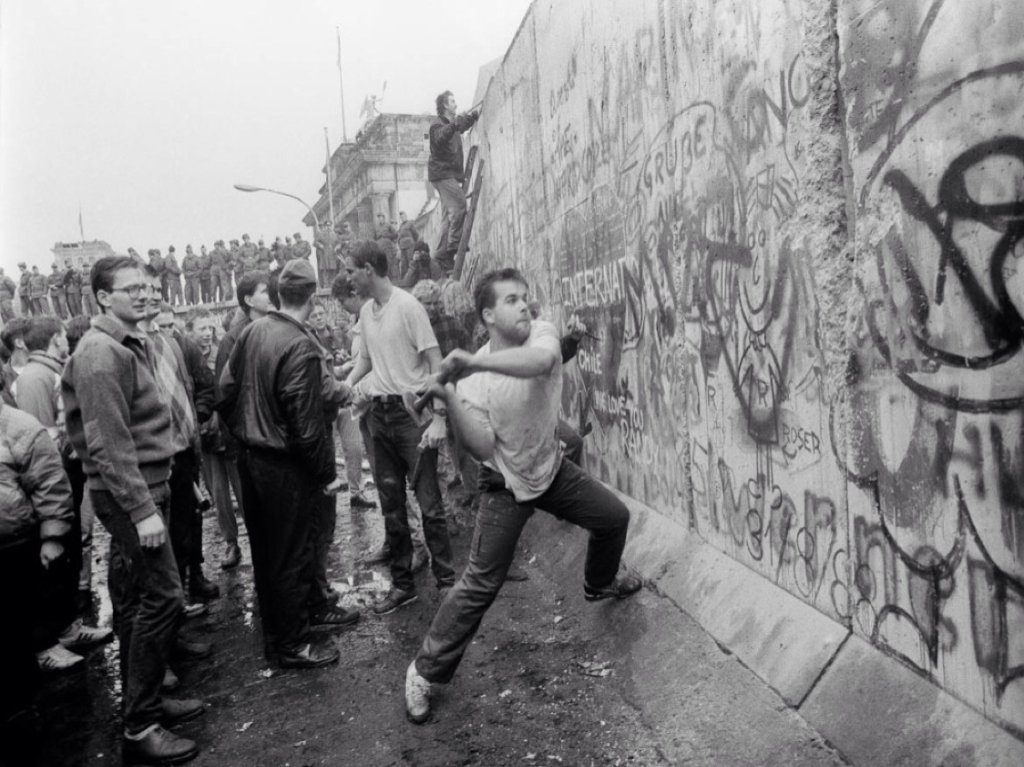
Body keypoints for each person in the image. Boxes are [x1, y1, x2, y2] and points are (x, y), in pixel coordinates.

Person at [403, 268, 641, 724]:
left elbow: (541, 365)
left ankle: (599, 581)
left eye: (526, 297)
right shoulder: (472, 383)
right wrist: (449, 396)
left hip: (550, 469)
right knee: (479, 584)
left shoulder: (542, 334)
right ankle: (423, 672)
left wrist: (470, 363)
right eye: (512, 300)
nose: (524, 306)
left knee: (613, 518)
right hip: (505, 485)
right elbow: (483, 448)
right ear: (488, 314)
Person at [62, 256, 202, 765]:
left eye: (148, 286)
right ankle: (140, 724)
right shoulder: (100, 353)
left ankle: (149, 700)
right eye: (131, 288)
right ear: (103, 297)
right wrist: (142, 510)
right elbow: (106, 444)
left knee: (137, 595)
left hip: (144, 487)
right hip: (131, 493)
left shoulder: (128, 341)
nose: (145, 294)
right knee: (164, 598)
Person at [217, 259, 347, 669]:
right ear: (312, 296)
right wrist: (326, 474)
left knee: (267, 552)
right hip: (283, 464)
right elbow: (307, 427)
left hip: (252, 461)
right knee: (293, 552)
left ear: (277, 296)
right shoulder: (300, 344)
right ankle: (293, 644)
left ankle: (280, 636)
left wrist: (246, 431)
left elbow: (225, 392)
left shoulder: (251, 331)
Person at [343, 240, 455, 615]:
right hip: (380, 416)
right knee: (391, 505)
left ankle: (447, 584)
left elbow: (436, 361)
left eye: (350, 271)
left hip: (411, 416)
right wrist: (345, 387)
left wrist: (439, 416)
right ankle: (403, 585)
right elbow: (366, 362)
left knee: (430, 505)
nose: (348, 279)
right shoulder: (366, 314)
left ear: (369, 269)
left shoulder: (407, 306)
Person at [14, 317, 113, 672]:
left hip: (65, 474)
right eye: (61, 336)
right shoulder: (34, 378)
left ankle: (69, 627)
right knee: (54, 559)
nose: (65, 341)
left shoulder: (48, 371)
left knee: (71, 550)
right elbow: (38, 438)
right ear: (55, 339)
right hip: (55, 477)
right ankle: (47, 641)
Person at [0, 378, 74, 739]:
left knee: (17, 632)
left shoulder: (18, 426)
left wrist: (53, 536)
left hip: (14, 546)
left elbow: (50, 484)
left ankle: (27, 718)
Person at [211, 271, 274, 568]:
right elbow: (224, 395)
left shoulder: (269, 327)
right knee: (257, 513)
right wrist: (243, 436)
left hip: (267, 439)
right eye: (265, 291)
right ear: (249, 300)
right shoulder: (234, 339)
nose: (272, 293)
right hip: (250, 443)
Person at [429, 91, 479, 271]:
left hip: (445, 174)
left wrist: (471, 118)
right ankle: (454, 246)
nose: (456, 104)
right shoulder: (436, 126)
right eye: (452, 101)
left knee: (447, 218)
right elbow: (442, 136)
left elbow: (460, 126)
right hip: (443, 174)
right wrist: (456, 123)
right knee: (459, 206)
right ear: (444, 106)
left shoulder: (451, 124)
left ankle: (442, 254)